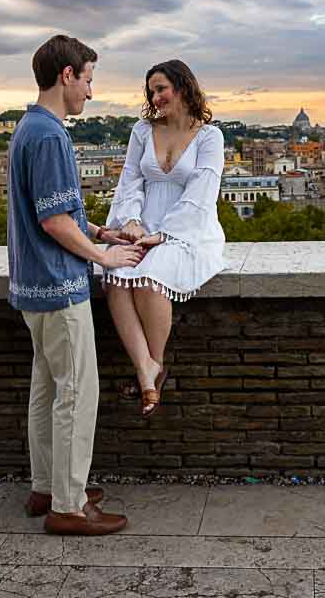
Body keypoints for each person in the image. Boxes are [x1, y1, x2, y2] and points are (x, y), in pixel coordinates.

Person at [6, 34, 145, 536]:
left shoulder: (28, 128)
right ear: (67, 76)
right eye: (88, 79)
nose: (90, 91)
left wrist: (98, 230)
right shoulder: (50, 136)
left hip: (32, 287)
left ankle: (48, 485)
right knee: (77, 394)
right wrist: (104, 255)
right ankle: (69, 505)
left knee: (46, 391)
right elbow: (53, 222)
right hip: (59, 286)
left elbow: (57, 211)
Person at [101, 59, 226, 417]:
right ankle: (148, 369)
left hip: (188, 228)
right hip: (142, 223)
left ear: (183, 88)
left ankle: (152, 364)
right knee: (116, 276)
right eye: (151, 91)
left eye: (161, 89)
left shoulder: (209, 136)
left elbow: (203, 192)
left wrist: (164, 234)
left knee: (149, 278)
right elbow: (129, 182)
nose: (155, 98)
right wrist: (133, 223)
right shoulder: (142, 131)